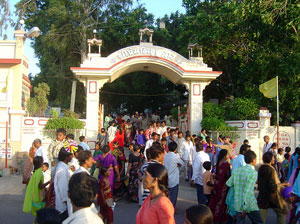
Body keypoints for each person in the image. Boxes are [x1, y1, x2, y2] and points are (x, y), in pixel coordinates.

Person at [226, 150, 263, 224]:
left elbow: (228, 183)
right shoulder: (253, 173)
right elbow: (247, 191)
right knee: (258, 222)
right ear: (253, 160)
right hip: (249, 204)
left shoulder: (237, 171)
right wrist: (244, 208)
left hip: (237, 203)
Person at [257, 152, 289, 224]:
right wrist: (283, 184)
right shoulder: (271, 169)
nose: (274, 159)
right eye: (273, 158)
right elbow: (272, 186)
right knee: (281, 213)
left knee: (261, 219)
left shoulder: (260, 169)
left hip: (262, 196)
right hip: (272, 197)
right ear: (270, 159)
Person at [209, 149, 231, 223]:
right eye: (228, 154)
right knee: (221, 201)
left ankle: (214, 216)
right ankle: (219, 217)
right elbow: (228, 176)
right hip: (223, 185)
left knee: (216, 200)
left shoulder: (218, 162)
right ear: (225, 156)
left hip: (217, 183)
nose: (229, 156)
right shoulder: (226, 164)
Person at [54, 148, 72, 221]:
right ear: (66, 158)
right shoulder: (62, 170)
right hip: (63, 205)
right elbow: (63, 188)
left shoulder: (64, 167)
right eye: (70, 156)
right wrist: (66, 201)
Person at [164, 142, 184, 208]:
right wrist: (178, 166)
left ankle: (166, 207)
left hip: (166, 178)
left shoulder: (165, 156)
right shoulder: (175, 157)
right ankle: (171, 208)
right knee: (173, 196)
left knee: (166, 195)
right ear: (175, 149)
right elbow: (182, 164)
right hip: (174, 179)